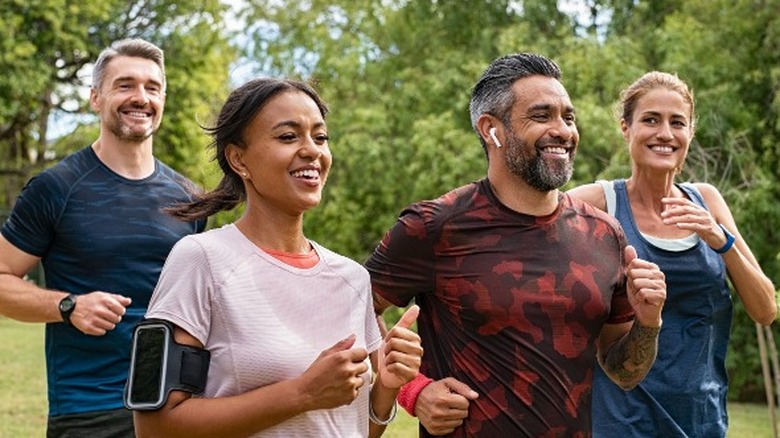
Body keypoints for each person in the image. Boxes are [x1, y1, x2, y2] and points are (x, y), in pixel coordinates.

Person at [365, 52, 668, 437]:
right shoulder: (435, 226)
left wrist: (649, 321)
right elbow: (350, 309)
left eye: (568, 117)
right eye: (542, 116)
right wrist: (413, 390)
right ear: (492, 129)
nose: (562, 130)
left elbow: (624, 372)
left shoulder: (605, 234)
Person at [132, 77, 423, 438]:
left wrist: (386, 388)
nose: (312, 151)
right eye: (288, 137)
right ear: (238, 159)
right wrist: (302, 393)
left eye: (320, 137)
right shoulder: (200, 260)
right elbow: (153, 427)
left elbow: (348, 429)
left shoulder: (352, 278)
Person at [0, 38, 206, 437]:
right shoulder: (55, 188)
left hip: (178, 403)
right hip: (91, 411)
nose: (140, 97)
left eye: (152, 87)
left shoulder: (190, 199)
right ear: (96, 97)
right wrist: (67, 305)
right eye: (125, 85)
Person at [567, 71, 777, 437]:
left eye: (677, 122)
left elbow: (765, 310)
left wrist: (719, 238)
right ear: (625, 128)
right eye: (650, 120)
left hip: (703, 420)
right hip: (620, 422)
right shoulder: (596, 203)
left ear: (689, 134)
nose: (665, 133)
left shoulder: (707, 201)